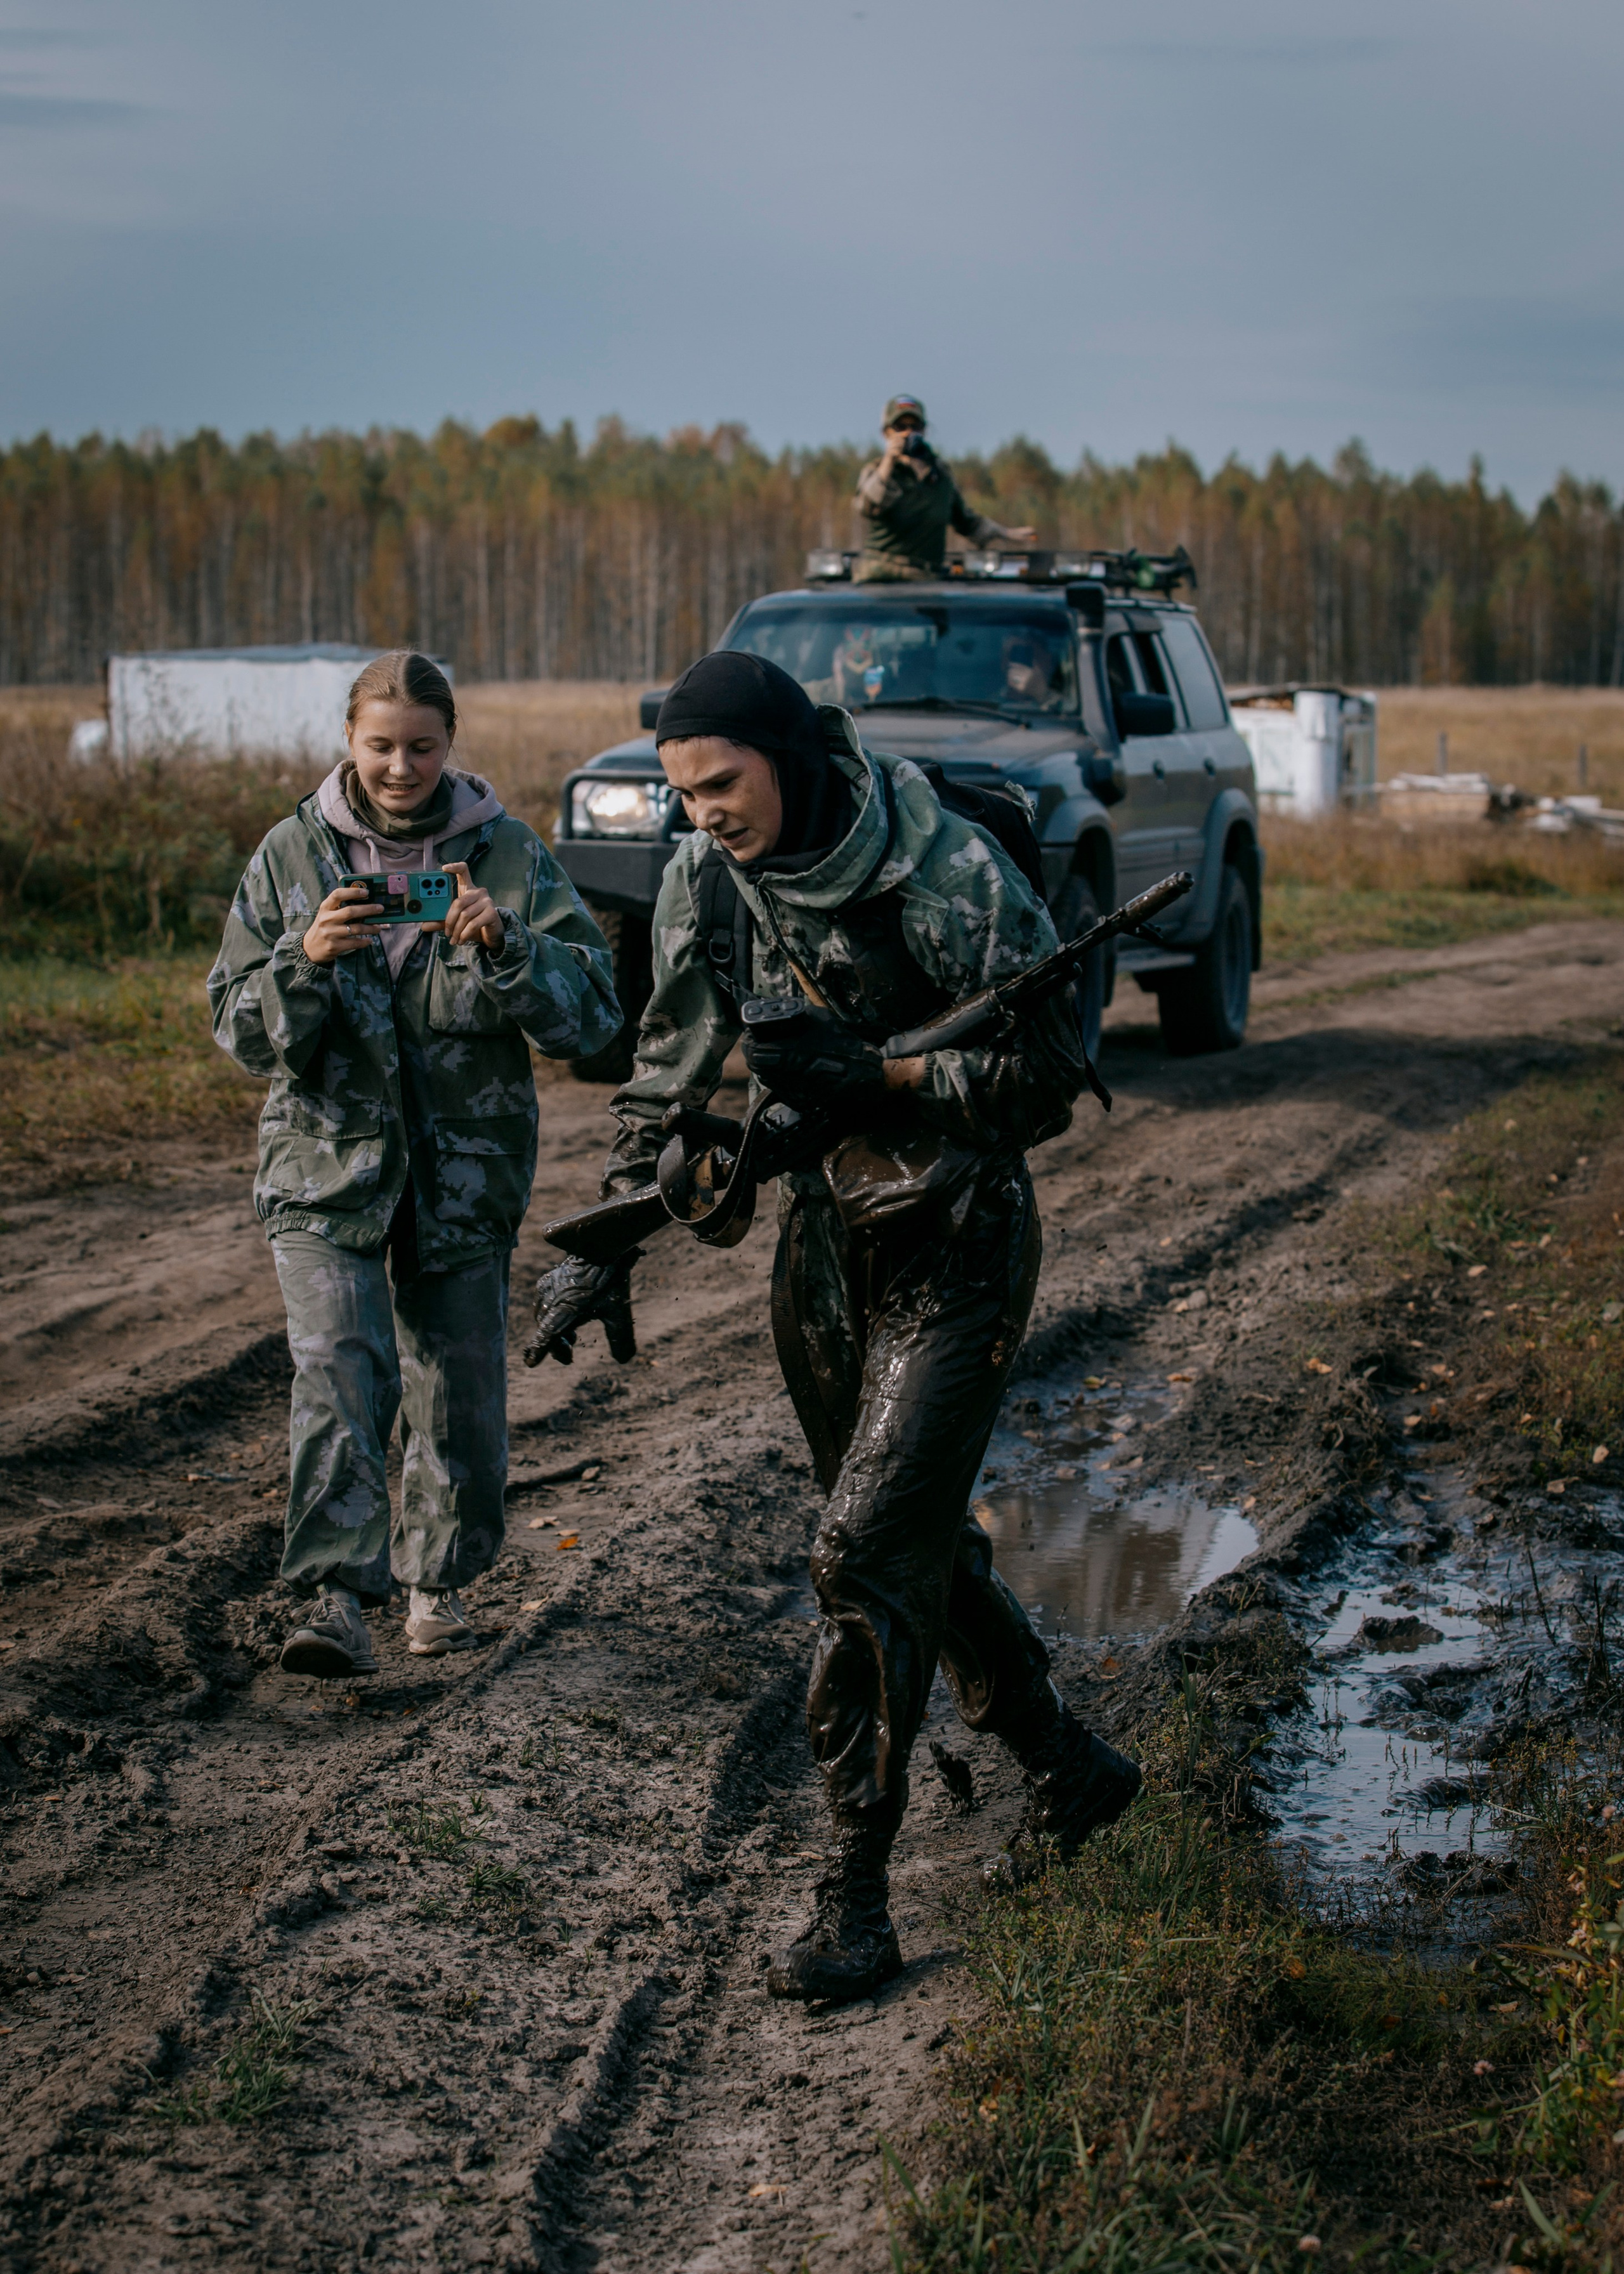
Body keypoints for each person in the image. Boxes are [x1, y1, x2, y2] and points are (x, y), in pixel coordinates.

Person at [529, 651, 1141, 2006]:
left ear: (791, 758)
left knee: (860, 1549)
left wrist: (883, 1074)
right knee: (902, 1539)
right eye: (683, 794)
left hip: (958, 1233)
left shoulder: (942, 870)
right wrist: (606, 1243)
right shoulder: (706, 877)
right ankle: (1068, 1766)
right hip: (822, 1238)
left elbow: (1049, 1079)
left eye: (722, 784)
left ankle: (855, 1891)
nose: (703, 815)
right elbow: (669, 1066)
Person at [208, 650, 621, 1680]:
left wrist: (510, 943)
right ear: (349, 741)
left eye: (422, 747)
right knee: (340, 1369)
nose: (401, 768)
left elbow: (594, 1019)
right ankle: (337, 1598)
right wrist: (303, 961)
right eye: (382, 746)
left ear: (451, 743)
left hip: (463, 1176)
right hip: (324, 1170)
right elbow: (239, 1030)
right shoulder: (291, 854)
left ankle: (437, 1582)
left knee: (458, 1387)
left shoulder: (508, 852)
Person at [853, 394, 1037, 582]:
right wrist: (889, 461)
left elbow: (965, 521)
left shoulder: (939, 474)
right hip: (881, 575)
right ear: (886, 433)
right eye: (900, 427)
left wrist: (1004, 533)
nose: (909, 433)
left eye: (915, 427)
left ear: (924, 430)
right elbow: (868, 506)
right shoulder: (878, 471)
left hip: (925, 577)